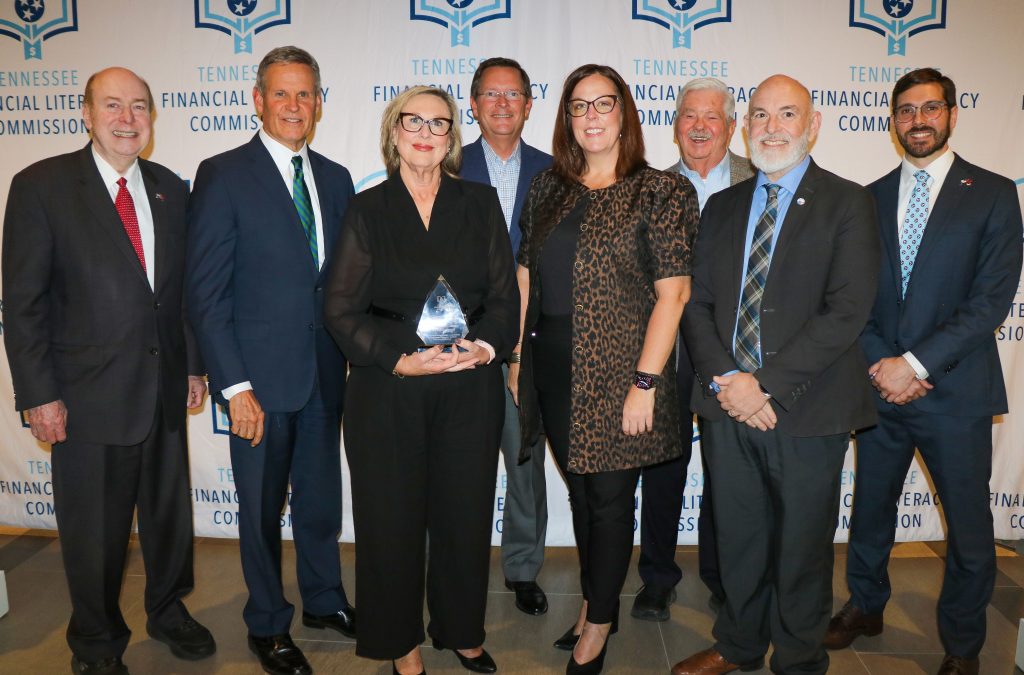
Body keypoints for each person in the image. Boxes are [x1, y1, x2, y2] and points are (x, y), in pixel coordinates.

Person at [2, 67, 214, 675]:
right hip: (85, 399)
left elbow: (179, 294)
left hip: (163, 390)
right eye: (114, 105)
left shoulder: (170, 187)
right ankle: (95, 643)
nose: (128, 118)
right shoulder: (41, 186)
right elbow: (24, 303)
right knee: (94, 531)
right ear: (87, 114)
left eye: (139, 106)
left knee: (169, 519)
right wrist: (39, 394)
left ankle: (168, 610)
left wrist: (193, 366)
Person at [672, 74, 880, 675]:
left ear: (813, 125)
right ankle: (738, 644)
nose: (772, 127)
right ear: (744, 127)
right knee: (738, 539)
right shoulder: (722, 205)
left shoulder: (848, 202)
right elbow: (698, 303)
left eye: (787, 114)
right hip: (726, 405)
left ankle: (798, 657)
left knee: (802, 548)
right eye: (760, 115)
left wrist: (761, 385)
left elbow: (846, 311)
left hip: (807, 409)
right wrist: (727, 379)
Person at [825, 68, 1023, 675]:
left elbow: (990, 301)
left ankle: (962, 646)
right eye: (906, 110)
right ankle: (865, 605)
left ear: (952, 115)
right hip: (879, 389)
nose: (918, 120)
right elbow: (853, 296)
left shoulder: (993, 192)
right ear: (892, 121)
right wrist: (882, 365)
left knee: (968, 528)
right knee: (871, 510)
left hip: (955, 392)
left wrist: (913, 364)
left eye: (930, 108)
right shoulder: (869, 196)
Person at [324, 85, 518, 675]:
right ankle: (400, 643)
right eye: (414, 121)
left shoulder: (479, 202)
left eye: (439, 123)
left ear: (452, 136)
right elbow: (340, 309)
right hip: (389, 388)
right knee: (390, 521)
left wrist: (485, 348)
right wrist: (398, 360)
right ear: (394, 131)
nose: (426, 133)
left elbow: (505, 299)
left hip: (468, 384)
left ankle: (461, 631)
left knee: (465, 515)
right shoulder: (368, 209)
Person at [513, 63, 695, 674]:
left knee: (612, 501)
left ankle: (598, 625)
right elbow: (525, 276)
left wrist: (645, 383)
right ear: (566, 117)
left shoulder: (660, 191)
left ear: (624, 113)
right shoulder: (547, 187)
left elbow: (673, 294)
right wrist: (516, 359)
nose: (591, 116)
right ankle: (597, 603)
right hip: (553, 367)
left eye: (603, 103)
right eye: (579, 105)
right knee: (584, 494)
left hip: (623, 372)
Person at [187, 46, 355, 675]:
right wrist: (235, 386)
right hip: (256, 382)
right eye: (281, 93)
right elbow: (206, 293)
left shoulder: (335, 178)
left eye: (304, 93)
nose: (293, 105)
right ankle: (266, 623)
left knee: (320, 502)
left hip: (324, 374)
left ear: (318, 103)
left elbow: (342, 283)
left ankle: (324, 600)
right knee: (260, 511)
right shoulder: (223, 174)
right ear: (258, 100)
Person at [633, 77, 754, 622]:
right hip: (669, 352)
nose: (700, 126)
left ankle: (724, 574)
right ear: (675, 125)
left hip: (740, 355)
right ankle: (657, 577)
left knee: (729, 471)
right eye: (689, 116)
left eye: (712, 117)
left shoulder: (762, 179)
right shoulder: (648, 188)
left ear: (731, 126)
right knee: (664, 468)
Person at [461, 56, 553, 617]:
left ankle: (522, 568)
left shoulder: (554, 171)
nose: (502, 104)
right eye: (491, 94)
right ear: (473, 105)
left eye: (512, 94)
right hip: (460, 345)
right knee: (460, 464)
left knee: (524, 462)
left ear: (528, 104)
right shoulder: (445, 164)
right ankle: (459, 563)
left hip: (528, 343)